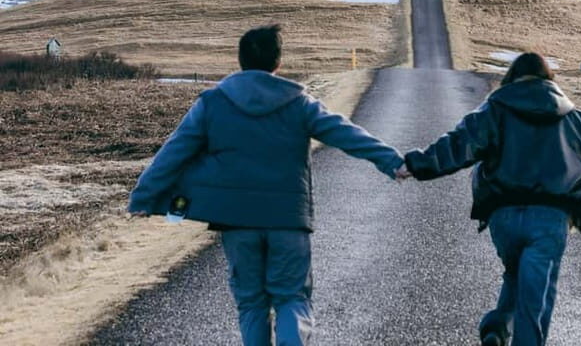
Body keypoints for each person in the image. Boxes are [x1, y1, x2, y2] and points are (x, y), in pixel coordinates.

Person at [128, 25, 408, 346]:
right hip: (287, 219)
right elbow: (344, 133)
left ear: (240, 60)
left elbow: (174, 152)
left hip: (236, 221)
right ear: (279, 63)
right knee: (291, 298)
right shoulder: (299, 103)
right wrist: (392, 161)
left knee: (251, 303)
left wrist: (143, 198)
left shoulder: (212, 103)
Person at [404, 52, 581, 346]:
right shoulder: (577, 121)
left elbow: (458, 145)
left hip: (504, 218)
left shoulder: (493, 113)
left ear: (511, 80)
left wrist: (414, 164)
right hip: (550, 220)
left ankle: (497, 328)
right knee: (535, 301)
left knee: (515, 273)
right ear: (550, 81)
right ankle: (507, 332)